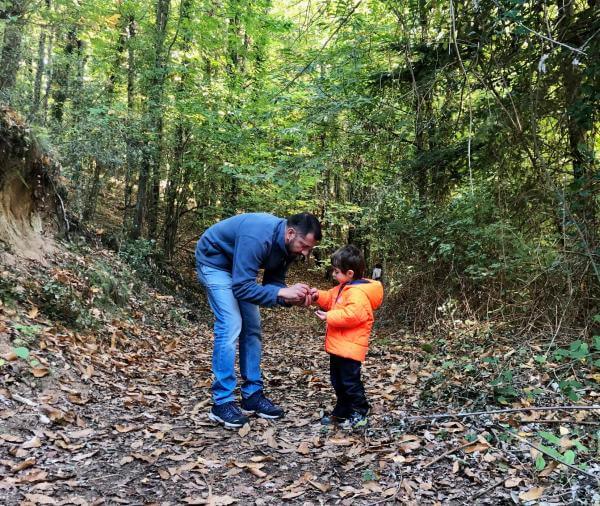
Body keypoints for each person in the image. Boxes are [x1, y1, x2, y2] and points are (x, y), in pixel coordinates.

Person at [195, 212, 321, 428]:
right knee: (231, 323)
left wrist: (292, 298)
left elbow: (273, 285)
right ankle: (221, 402)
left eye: (309, 248)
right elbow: (243, 287)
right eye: (304, 245)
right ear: (290, 233)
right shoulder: (258, 236)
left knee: (252, 328)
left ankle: (252, 395)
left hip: (239, 272)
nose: (306, 253)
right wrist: (283, 293)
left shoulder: (289, 247)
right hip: (215, 262)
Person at [311, 245, 383, 429]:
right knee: (337, 380)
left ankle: (360, 411)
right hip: (339, 346)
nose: (334, 275)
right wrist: (317, 295)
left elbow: (354, 315)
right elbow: (330, 298)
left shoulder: (358, 293)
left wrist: (329, 316)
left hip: (350, 348)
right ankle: (343, 409)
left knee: (350, 382)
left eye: (336, 271)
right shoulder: (344, 287)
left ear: (349, 273)